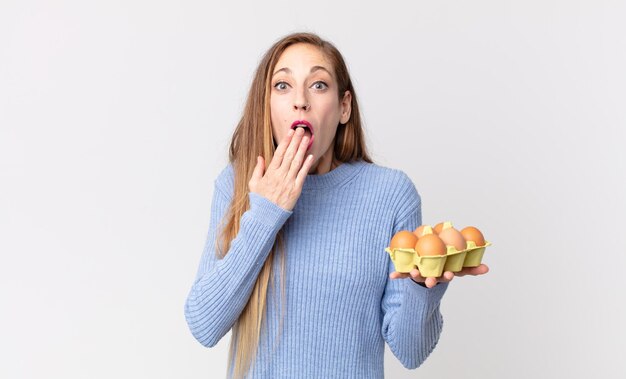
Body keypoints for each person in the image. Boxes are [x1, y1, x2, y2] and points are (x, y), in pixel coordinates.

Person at [184, 32, 488, 379]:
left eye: (318, 85)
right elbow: (203, 325)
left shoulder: (390, 194)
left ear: (344, 107)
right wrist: (266, 213)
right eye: (283, 86)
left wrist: (423, 286)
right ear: (266, 106)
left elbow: (411, 352)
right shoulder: (237, 185)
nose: (300, 101)